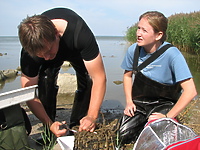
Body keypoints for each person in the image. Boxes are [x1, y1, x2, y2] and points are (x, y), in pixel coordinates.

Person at [18, 7, 106, 141]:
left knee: (88, 79)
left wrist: (92, 116)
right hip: (49, 49)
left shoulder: (79, 33)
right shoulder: (30, 52)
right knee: (46, 79)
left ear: (56, 33)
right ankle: (51, 130)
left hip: (74, 50)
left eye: (48, 51)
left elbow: (99, 78)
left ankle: (79, 125)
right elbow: (28, 93)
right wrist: (49, 123)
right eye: (41, 55)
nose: (46, 57)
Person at [118, 11, 197, 145]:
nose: (138, 33)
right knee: (123, 135)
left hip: (163, 104)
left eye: (144, 30)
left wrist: (168, 116)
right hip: (140, 103)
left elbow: (191, 91)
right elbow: (127, 76)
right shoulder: (133, 50)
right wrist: (129, 102)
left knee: (157, 135)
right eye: (138, 28)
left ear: (158, 35)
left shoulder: (172, 54)